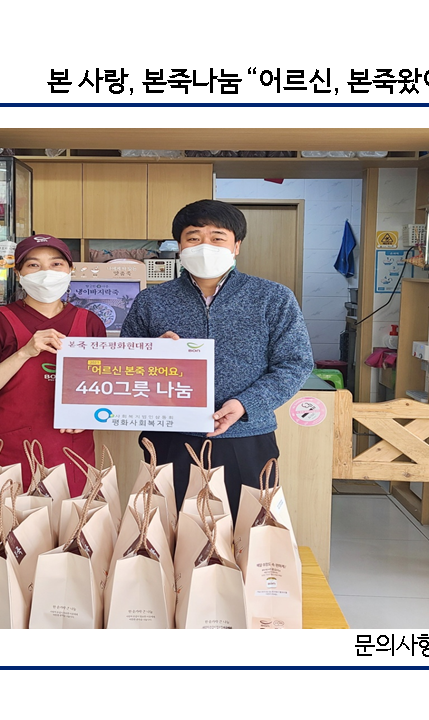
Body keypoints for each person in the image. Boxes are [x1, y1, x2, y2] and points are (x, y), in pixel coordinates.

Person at [120, 200, 314, 518]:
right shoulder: (152, 300)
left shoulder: (272, 298)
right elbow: (125, 365)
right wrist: (153, 353)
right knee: (168, 528)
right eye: (194, 238)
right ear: (179, 246)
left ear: (236, 246)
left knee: (246, 529)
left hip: (247, 435)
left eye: (217, 237)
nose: (204, 246)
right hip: (170, 436)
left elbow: (295, 363)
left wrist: (246, 404)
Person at [0, 234, 106, 496]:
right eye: (33, 265)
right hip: (10, 446)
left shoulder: (89, 322)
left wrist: (87, 415)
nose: (46, 272)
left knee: (70, 518)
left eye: (56, 264)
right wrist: (24, 353)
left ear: (70, 270)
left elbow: (103, 386)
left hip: (71, 446)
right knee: (7, 518)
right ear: (18, 273)